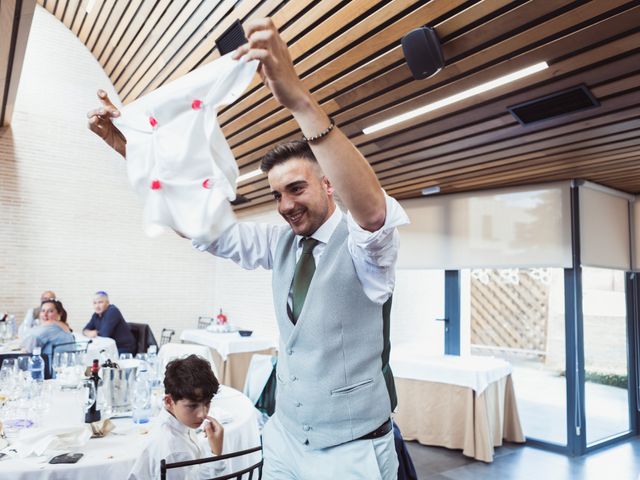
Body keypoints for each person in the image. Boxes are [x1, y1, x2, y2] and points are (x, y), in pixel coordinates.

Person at [87, 17, 407, 479]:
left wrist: (297, 97)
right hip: (283, 437)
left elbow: (374, 214)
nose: (285, 205)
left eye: (296, 189)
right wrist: (128, 149)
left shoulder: (364, 246)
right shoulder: (280, 242)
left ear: (329, 184)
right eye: (277, 194)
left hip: (349, 450)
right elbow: (205, 229)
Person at [128, 355, 225, 480]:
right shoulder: (174, 452)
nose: (203, 414)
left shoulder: (178, 421)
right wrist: (215, 454)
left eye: (207, 403)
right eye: (192, 406)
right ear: (169, 401)